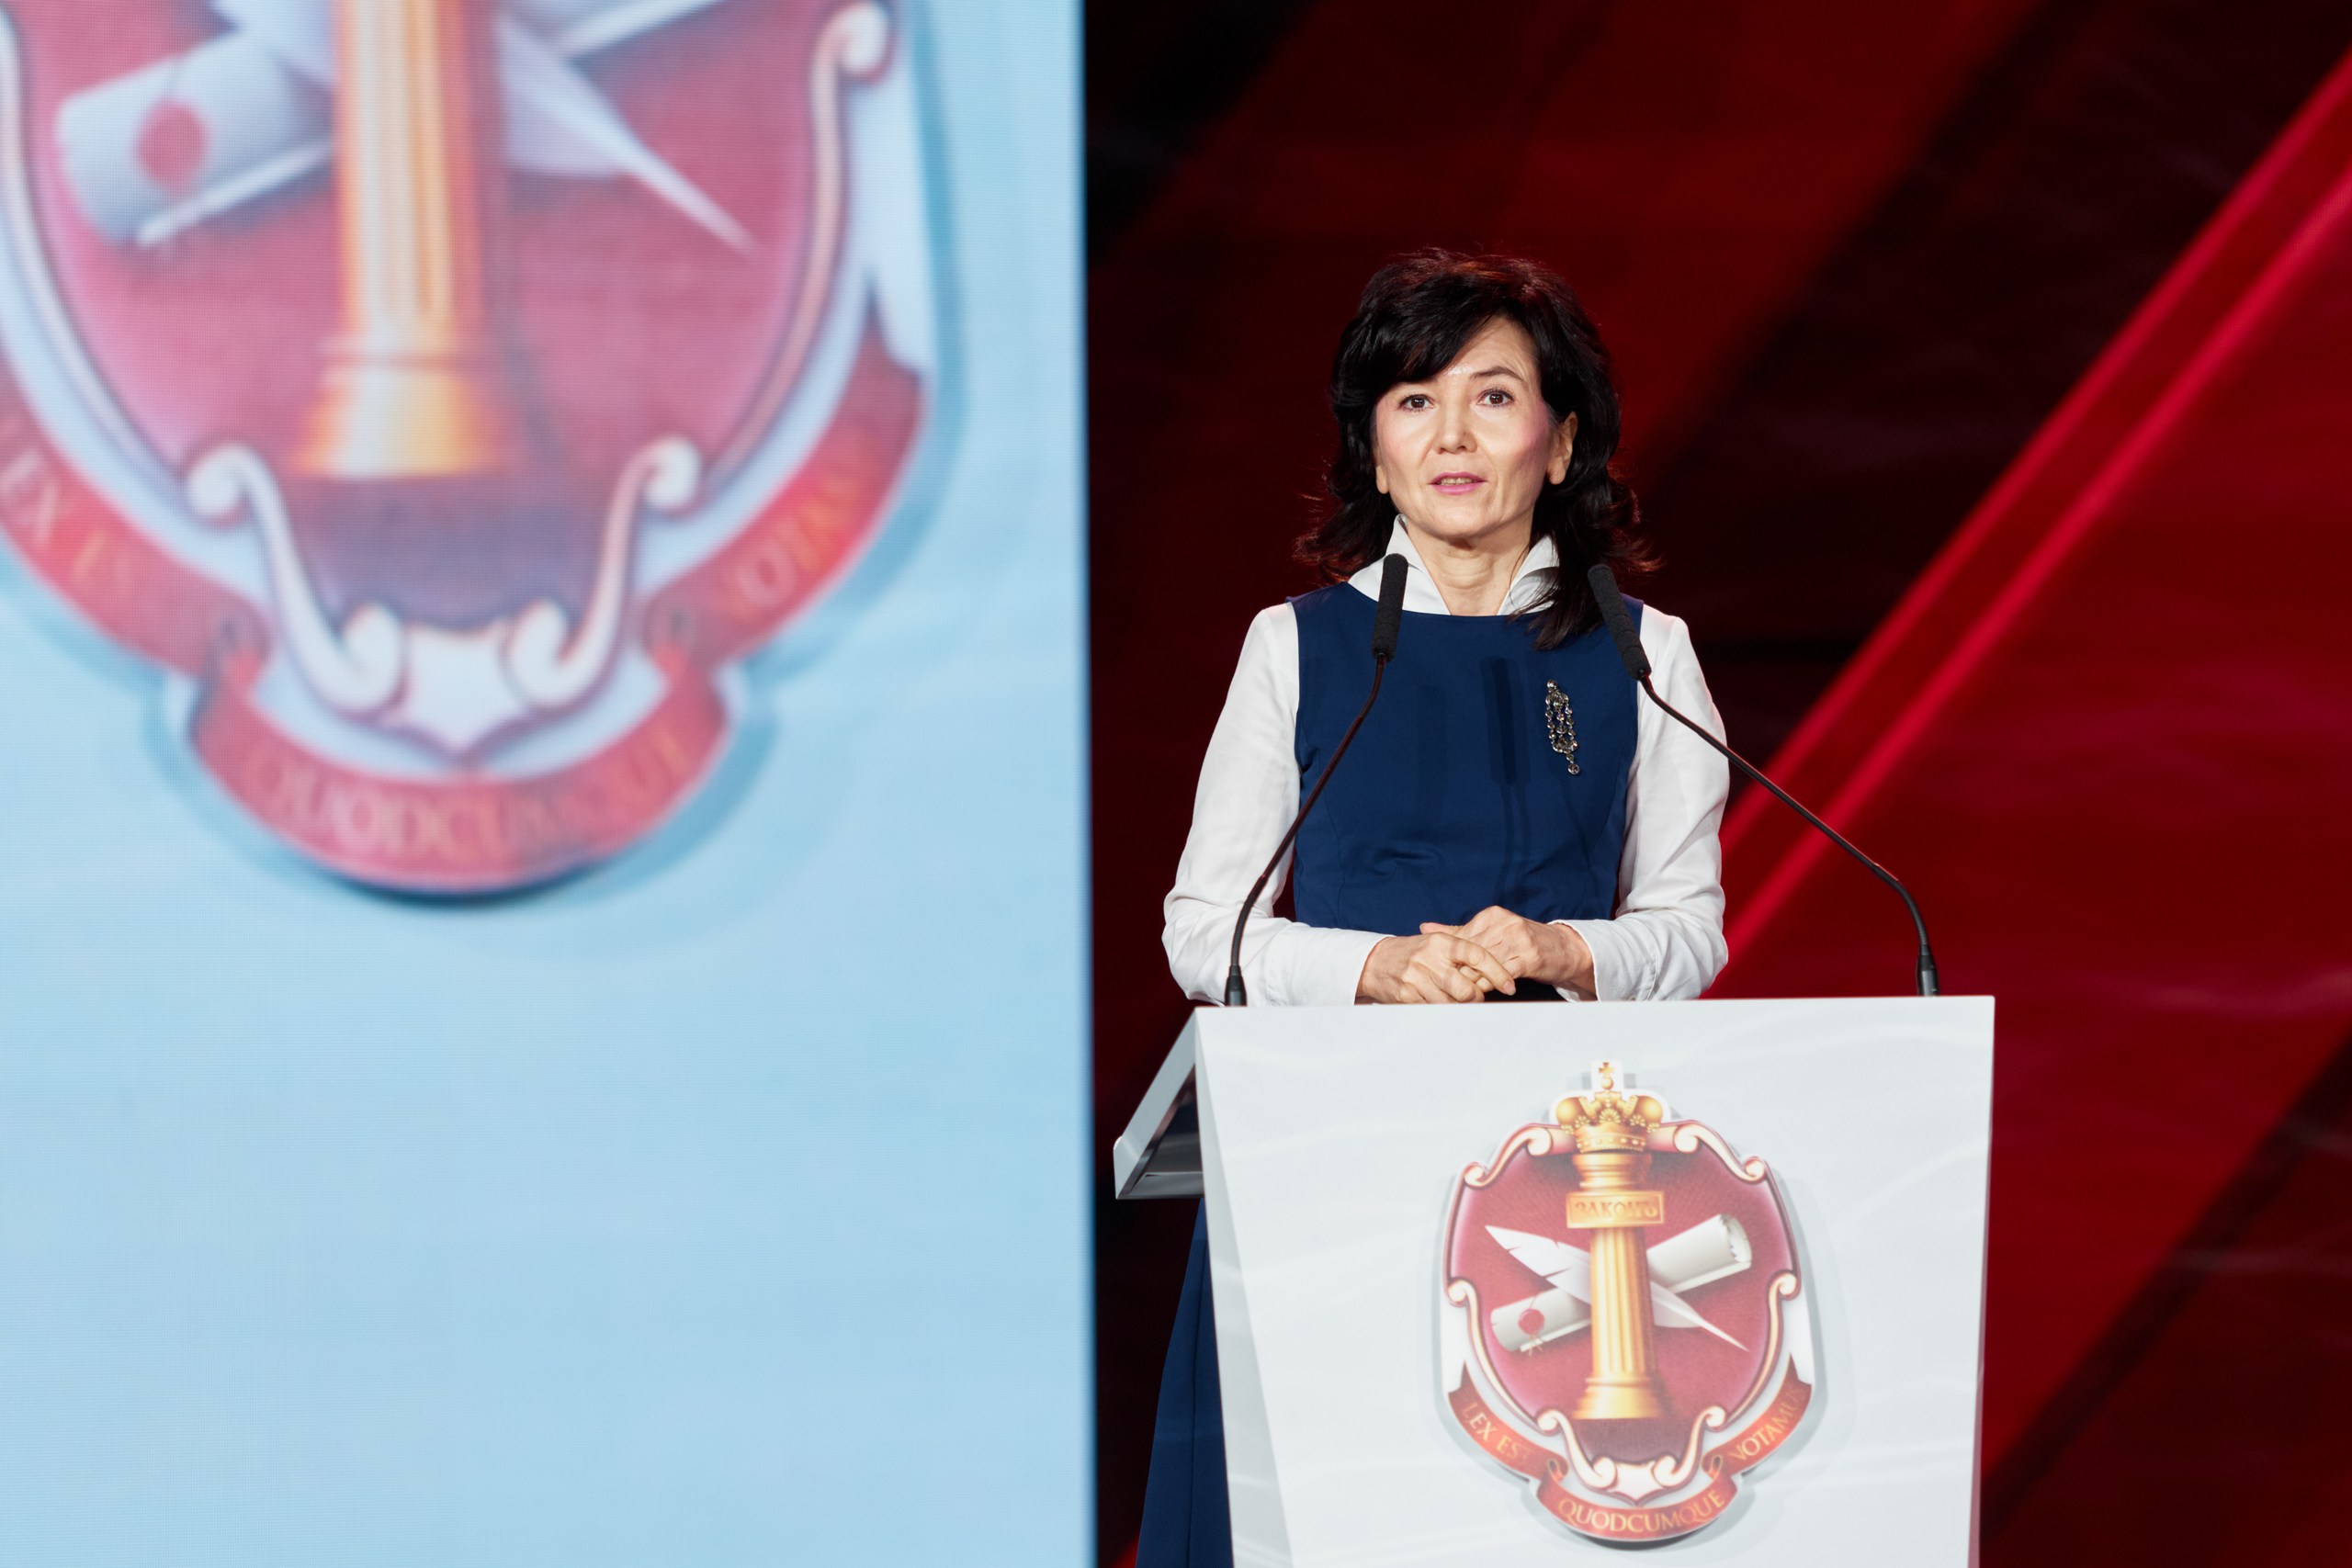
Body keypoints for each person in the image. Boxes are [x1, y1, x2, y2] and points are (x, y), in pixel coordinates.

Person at [1136, 250, 1732, 1566]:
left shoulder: (1645, 653)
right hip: (1322, 1151)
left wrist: (1565, 948)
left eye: (1493, 396)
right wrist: (1372, 969)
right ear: (1375, 447)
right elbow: (1204, 929)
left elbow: (1690, 932)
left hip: (1558, 1187)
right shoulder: (1297, 645)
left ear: (1560, 441)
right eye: (1414, 401)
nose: (1451, 435)